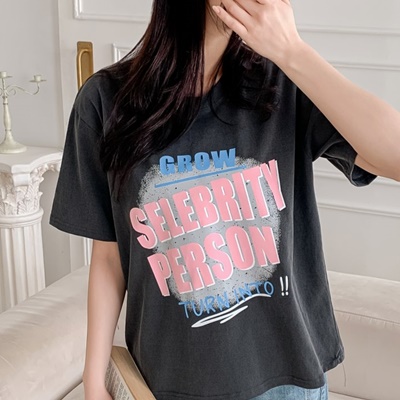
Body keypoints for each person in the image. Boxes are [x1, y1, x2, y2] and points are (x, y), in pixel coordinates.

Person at [49, 0, 400, 399]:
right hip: (169, 382)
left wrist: (293, 52)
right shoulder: (104, 101)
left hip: (287, 382)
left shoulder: (282, 84)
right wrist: (94, 379)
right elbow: (110, 256)